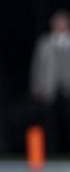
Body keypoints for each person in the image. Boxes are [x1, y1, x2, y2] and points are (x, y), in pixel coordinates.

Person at [30, 10, 70, 155]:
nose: (60, 25)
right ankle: (51, 152)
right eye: (58, 22)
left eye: (63, 22)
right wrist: (36, 86)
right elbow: (37, 66)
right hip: (49, 88)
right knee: (50, 123)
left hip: (68, 88)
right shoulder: (45, 43)